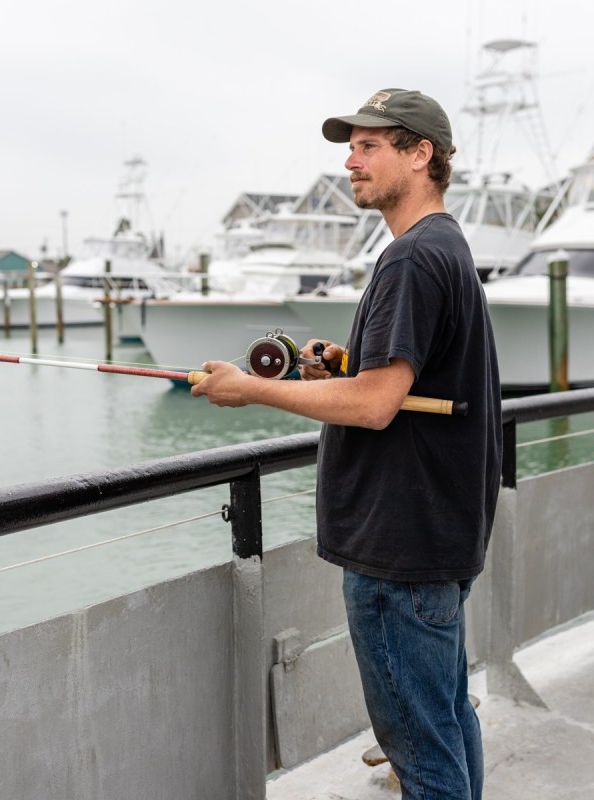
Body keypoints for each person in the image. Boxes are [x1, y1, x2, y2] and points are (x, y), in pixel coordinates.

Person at [191, 88, 502, 800]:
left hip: (400, 552)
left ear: (420, 155)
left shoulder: (411, 259)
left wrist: (251, 389)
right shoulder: (445, 245)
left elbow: (374, 404)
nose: (350, 162)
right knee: (448, 721)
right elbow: (397, 382)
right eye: (351, 147)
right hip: (438, 537)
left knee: (421, 749)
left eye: (369, 146)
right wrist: (342, 366)